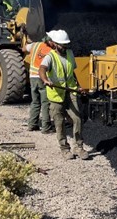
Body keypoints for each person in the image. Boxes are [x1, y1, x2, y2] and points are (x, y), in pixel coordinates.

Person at [40, 29, 91, 160]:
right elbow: (42, 69)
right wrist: (45, 80)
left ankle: (79, 147)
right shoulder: (49, 57)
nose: (65, 47)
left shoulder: (70, 54)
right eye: (63, 45)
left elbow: (72, 74)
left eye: (66, 45)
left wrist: (78, 86)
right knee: (59, 122)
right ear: (55, 44)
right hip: (56, 95)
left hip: (71, 92)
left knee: (77, 119)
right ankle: (65, 149)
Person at [25, 33, 54, 133]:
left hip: (32, 77)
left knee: (35, 101)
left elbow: (24, 49)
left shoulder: (36, 45)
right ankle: (46, 127)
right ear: (50, 41)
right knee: (45, 102)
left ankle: (32, 125)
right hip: (43, 78)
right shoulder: (52, 50)